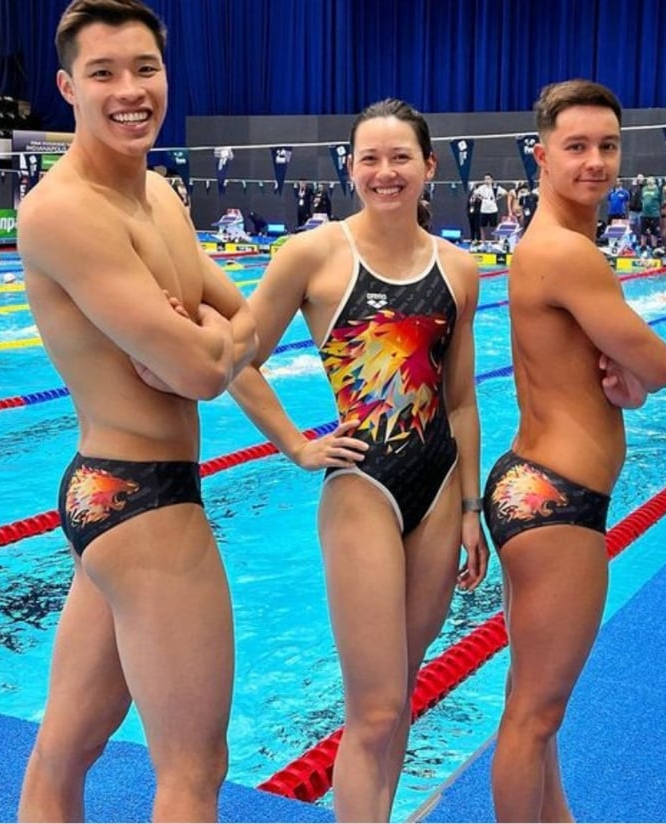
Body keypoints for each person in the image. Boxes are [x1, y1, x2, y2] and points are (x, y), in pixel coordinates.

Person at [14, 1, 258, 821]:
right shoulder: (63, 210)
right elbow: (203, 369)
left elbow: (243, 321)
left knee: (65, 747)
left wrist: (203, 338)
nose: (129, 90)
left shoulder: (157, 194)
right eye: (103, 73)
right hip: (143, 496)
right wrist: (205, 342)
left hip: (107, 496)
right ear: (67, 87)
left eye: (144, 68)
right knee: (193, 771)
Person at [229, 97, 489, 822]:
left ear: (429, 167)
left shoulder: (459, 270)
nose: (385, 171)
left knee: (399, 697)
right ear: (350, 168)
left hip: (438, 488)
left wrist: (471, 509)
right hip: (362, 487)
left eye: (400, 157)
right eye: (370, 158)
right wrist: (295, 442)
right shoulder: (313, 256)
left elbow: (462, 400)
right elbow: (234, 358)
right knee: (374, 709)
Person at [482, 79, 666, 822]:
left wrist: (619, 386)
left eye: (607, 146)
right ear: (541, 156)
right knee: (534, 717)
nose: (595, 162)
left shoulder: (545, 243)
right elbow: (658, 364)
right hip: (557, 497)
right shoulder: (570, 253)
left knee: (535, 710)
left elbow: (600, 369)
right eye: (576, 147)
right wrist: (640, 379)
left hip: (531, 482)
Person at [473, 172, 507, 240]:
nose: (486, 180)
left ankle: (496, 240)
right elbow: (475, 193)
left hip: (493, 209)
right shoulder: (481, 188)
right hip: (484, 209)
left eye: (488, 179)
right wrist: (481, 198)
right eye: (485, 179)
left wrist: (497, 198)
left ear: (491, 180)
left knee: (494, 226)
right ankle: (483, 241)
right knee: (482, 226)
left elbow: (505, 193)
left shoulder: (496, 187)